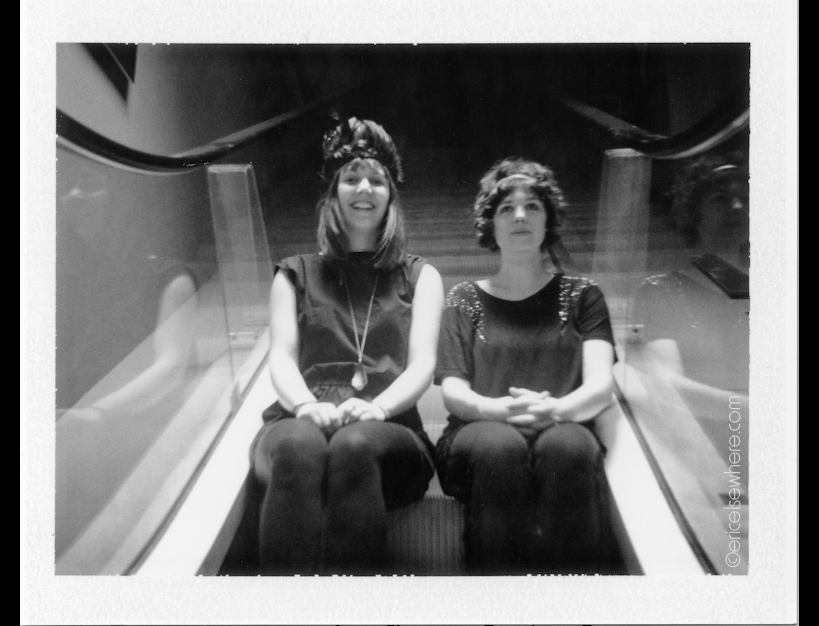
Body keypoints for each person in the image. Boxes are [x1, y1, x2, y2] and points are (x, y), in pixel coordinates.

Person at [249, 117, 444, 574]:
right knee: (298, 445)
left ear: (390, 195)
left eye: (377, 180)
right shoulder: (293, 273)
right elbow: (281, 357)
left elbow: (423, 366)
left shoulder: (421, 276)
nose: (364, 188)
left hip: (389, 427)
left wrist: (378, 408)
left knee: (354, 444)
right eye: (351, 178)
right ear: (333, 193)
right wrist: (303, 405)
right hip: (299, 418)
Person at [434, 158, 618, 574]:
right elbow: (453, 392)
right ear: (491, 225)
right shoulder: (463, 298)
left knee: (569, 448)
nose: (520, 215)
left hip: (564, 425)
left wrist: (556, 410)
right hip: (478, 430)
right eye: (507, 208)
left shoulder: (583, 295)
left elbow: (601, 385)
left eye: (532, 206)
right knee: (499, 447)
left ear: (548, 220)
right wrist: (495, 410)